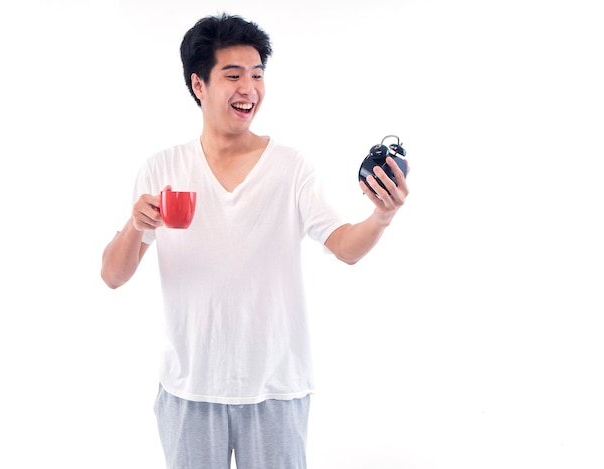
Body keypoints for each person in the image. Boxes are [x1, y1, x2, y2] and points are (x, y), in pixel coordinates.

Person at [101, 12, 408, 469]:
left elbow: (343, 246)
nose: (249, 89)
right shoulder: (161, 169)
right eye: (233, 75)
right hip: (189, 389)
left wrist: (382, 216)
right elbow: (112, 275)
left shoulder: (291, 167)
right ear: (199, 85)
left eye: (257, 75)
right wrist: (135, 226)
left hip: (276, 389)